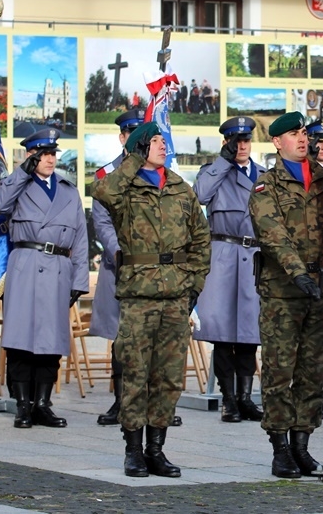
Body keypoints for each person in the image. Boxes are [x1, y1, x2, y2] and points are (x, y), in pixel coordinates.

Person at [92, 122, 211, 478]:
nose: (163, 146)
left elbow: (200, 240)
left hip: (176, 294)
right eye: (156, 141)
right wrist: (131, 159)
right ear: (142, 147)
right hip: (139, 295)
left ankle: (156, 449)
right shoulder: (123, 186)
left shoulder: (179, 187)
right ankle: (133, 451)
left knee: (169, 376)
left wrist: (193, 286)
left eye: (163, 141)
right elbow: (102, 193)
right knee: (135, 373)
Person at [89, 109, 181, 428]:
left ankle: (158, 404)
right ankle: (120, 402)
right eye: (131, 135)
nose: (137, 140)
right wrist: (121, 253)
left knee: (158, 338)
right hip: (121, 268)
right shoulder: (107, 175)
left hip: (157, 273)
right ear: (123, 139)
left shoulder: (160, 174)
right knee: (123, 340)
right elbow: (101, 220)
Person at [0, 128, 88, 430]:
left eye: (53, 153)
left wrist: (79, 280)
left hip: (59, 267)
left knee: (51, 341)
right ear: (31, 156)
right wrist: (22, 172)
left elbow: (81, 238)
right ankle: (22, 406)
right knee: (21, 340)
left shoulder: (68, 191)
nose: (50, 158)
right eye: (43, 153)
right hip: (26, 265)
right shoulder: (17, 185)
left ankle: (43, 404)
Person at [249, 111, 323, 479]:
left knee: (313, 371)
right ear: (277, 142)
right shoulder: (267, 186)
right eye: (293, 134)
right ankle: (280, 447)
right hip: (283, 291)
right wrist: (298, 273)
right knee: (281, 370)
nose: (302, 138)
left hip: (322, 288)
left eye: (303, 132)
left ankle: (302, 444)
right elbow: (272, 235)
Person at [194, 116, 264, 423]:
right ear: (226, 143)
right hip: (222, 256)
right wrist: (223, 163)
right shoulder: (213, 172)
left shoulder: (263, 174)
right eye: (236, 141)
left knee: (249, 333)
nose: (242, 146)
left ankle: (246, 397)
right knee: (222, 334)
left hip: (253, 256)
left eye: (246, 140)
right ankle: (228, 399)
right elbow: (199, 195)